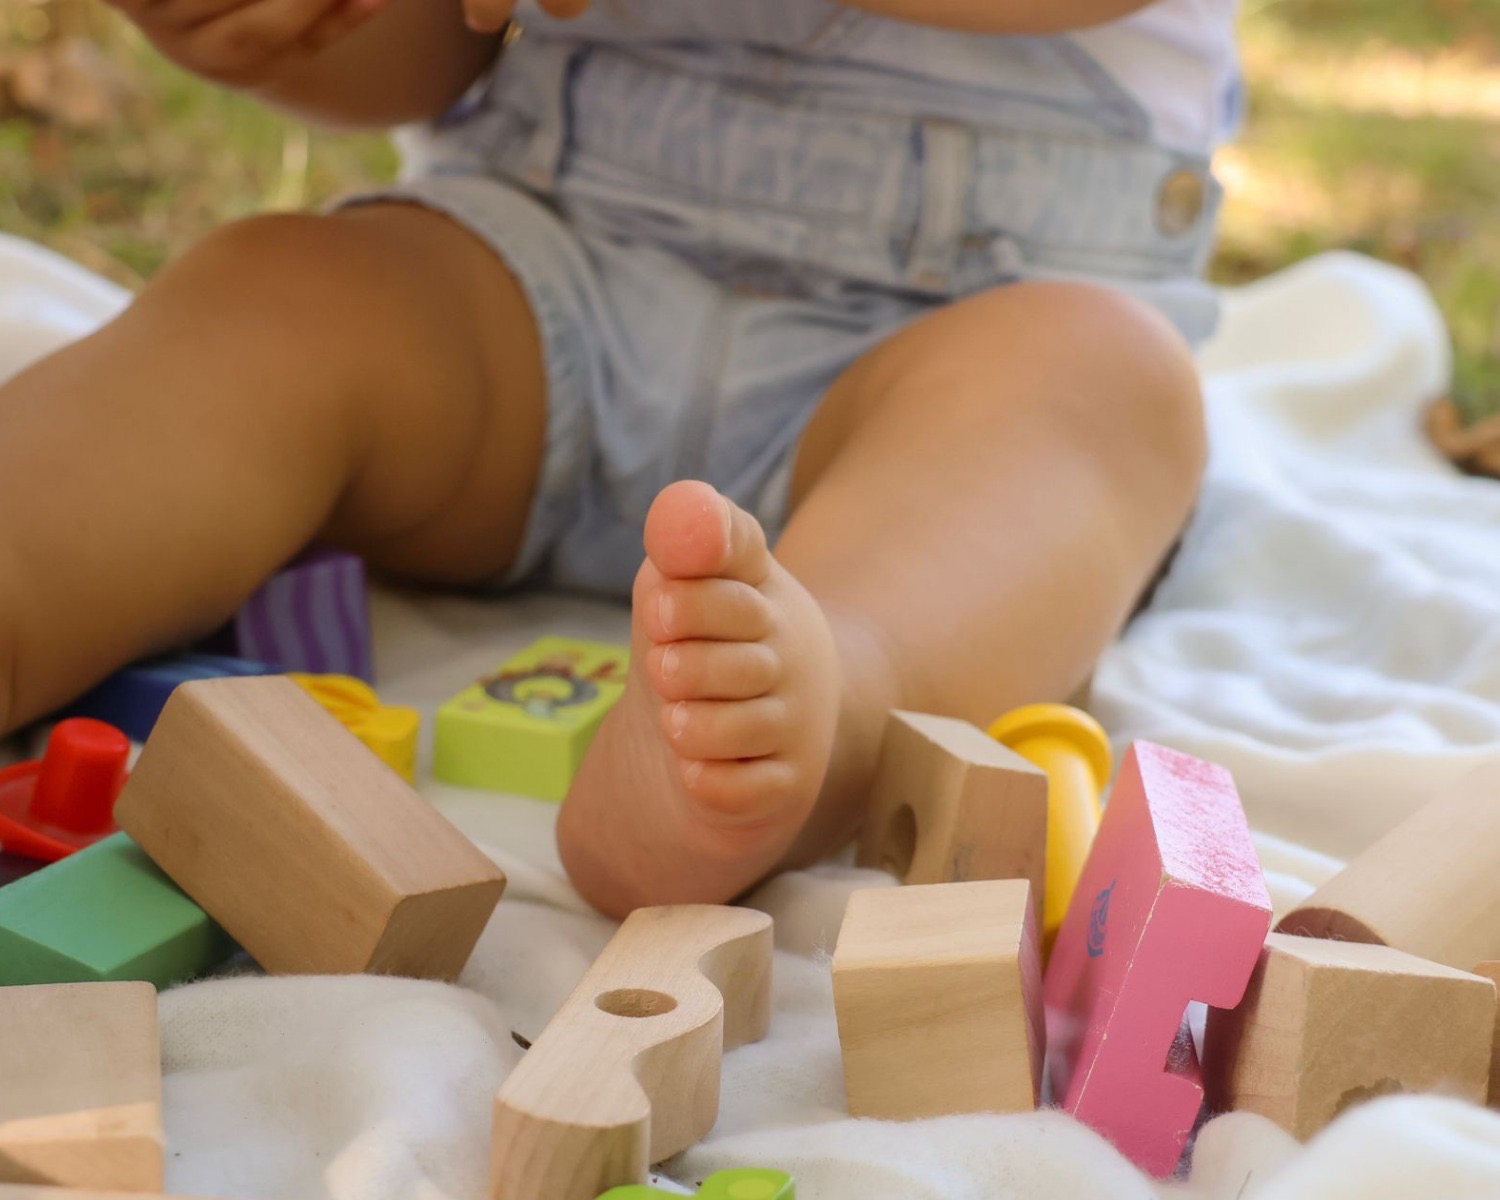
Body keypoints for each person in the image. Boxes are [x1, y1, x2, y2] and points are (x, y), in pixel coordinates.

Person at [0, 0, 1232, 916]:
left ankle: (817, 703)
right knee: (278, 301)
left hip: (968, 324)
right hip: (536, 272)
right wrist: (282, 30)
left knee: (1100, 382)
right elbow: (445, 43)